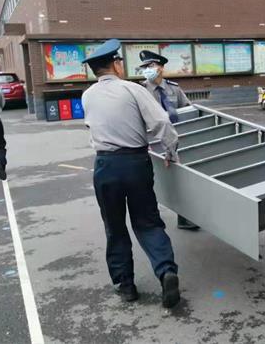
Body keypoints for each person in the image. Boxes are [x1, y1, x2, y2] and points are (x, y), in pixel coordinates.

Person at [81, 39, 181, 308]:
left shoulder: (87, 95)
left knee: (114, 227)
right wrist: (171, 151)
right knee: (148, 221)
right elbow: (161, 122)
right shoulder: (133, 89)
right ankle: (166, 271)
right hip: (136, 163)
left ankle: (126, 285)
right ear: (115, 64)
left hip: (105, 165)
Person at [138, 49, 199, 231]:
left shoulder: (174, 88)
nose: (147, 70)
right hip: (152, 141)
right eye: (144, 67)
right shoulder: (140, 91)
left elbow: (188, 111)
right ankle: (152, 218)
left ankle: (184, 217)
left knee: (181, 177)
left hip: (175, 139)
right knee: (151, 179)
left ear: (161, 68)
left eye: (151, 65)